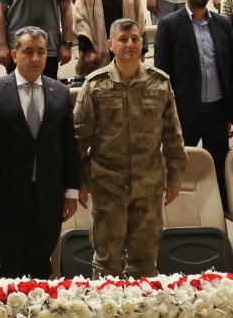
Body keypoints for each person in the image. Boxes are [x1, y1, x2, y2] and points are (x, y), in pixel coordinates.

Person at [72, 18, 186, 278]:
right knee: (106, 263)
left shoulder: (159, 83)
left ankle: (142, 306)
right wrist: (80, 180)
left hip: (148, 185)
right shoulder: (94, 84)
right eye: (123, 39)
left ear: (142, 43)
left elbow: (172, 136)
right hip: (107, 185)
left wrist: (175, 178)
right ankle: (105, 305)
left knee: (144, 262)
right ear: (110, 45)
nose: (130, 44)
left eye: (135, 39)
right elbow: (78, 140)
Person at [0, 27, 80, 279]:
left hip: (49, 194)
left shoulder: (61, 93)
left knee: (41, 266)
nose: (35, 58)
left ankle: (40, 306)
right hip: (7, 195)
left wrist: (71, 191)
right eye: (28, 51)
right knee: (10, 267)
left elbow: (69, 145)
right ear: (14, 55)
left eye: (41, 52)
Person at [152, 0, 233, 197]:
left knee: (219, 172)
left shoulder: (222, 24)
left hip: (217, 112)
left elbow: (232, 69)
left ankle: (221, 213)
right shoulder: (169, 24)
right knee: (181, 173)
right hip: (184, 114)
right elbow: (161, 76)